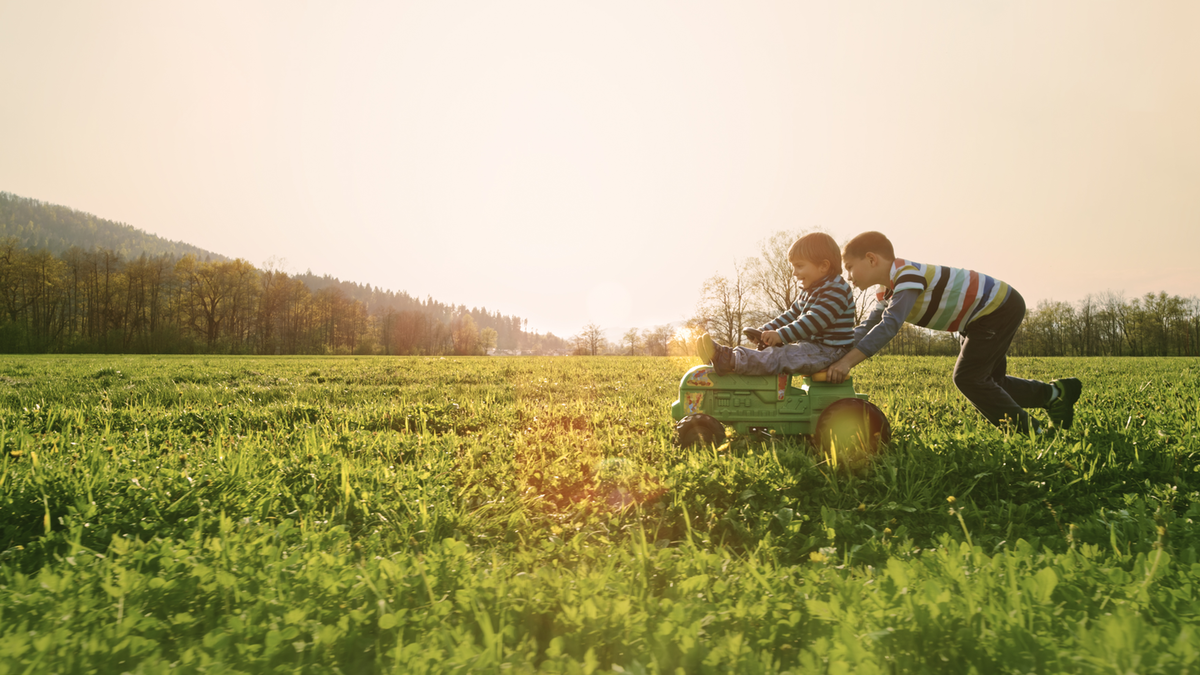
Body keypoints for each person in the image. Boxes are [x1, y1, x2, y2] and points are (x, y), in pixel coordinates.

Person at [826, 231, 1081, 434]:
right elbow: (867, 327)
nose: (848, 276)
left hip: (997, 308)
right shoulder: (885, 292)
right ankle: (1055, 395)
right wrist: (833, 353)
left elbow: (889, 325)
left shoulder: (906, 275)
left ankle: (1033, 432)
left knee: (968, 378)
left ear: (871, 259)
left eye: (849, 267)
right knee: (989, 381)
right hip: (979, 318)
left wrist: (847, 362)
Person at [696, 232, 855, 376]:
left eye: (799, 266)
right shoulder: (809, 290)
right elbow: (791, 315)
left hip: (831, 352)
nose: (794, 272)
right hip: (815, 349)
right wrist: (766, 330)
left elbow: (813, 321)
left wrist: (780, 335)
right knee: (775, 352)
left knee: (781, 356)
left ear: (823, 266)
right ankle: (723, 360)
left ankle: (728, 359)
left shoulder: (836, 290)